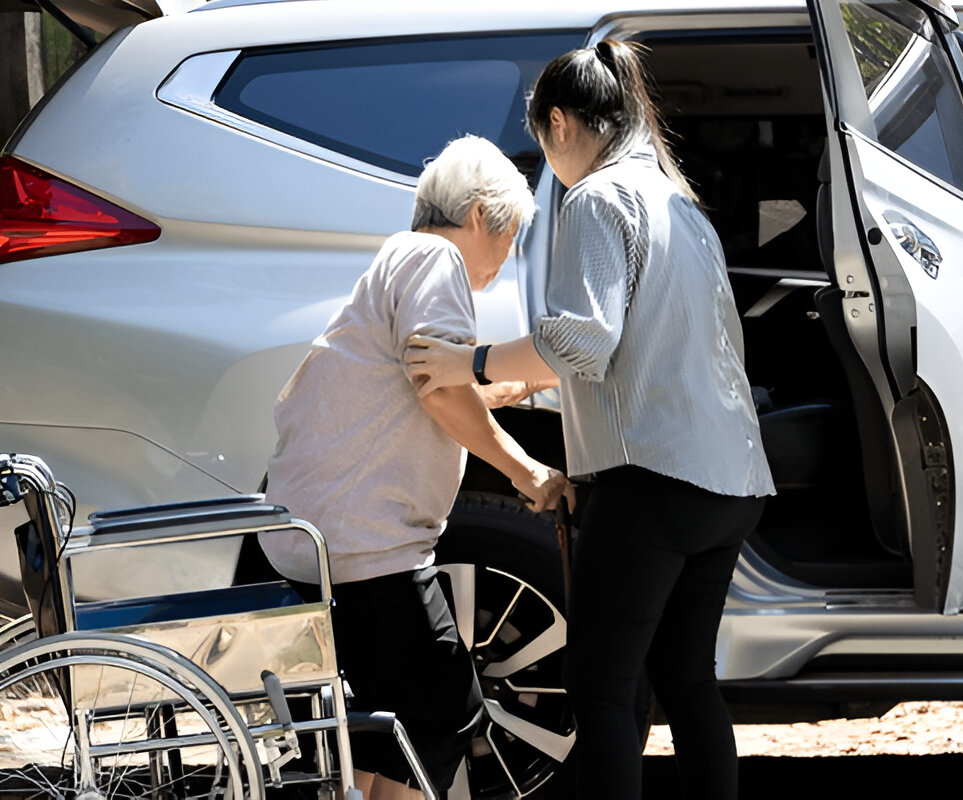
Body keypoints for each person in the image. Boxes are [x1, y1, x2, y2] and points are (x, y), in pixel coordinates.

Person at [404, 41, 774, 800]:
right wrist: (529, 389)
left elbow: (582, 337)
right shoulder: (681, 205)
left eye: (541, 141)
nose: (547, 163)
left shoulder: (599, 199)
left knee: (601, 686)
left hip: (651, 483)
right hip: (730, 480)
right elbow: (651, 352)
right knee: (687, 678)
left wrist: (468, 363)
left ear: (562, 124)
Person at [260, 135, 570, 800]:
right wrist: (528, 471)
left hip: (329, 538)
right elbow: (438, 392)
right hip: (367, 546)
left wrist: (504, 390)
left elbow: (418, 382)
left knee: (384, 731)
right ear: (483, 215)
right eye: (512, 236)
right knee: (443, 714)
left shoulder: (399, 258)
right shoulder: (435, 258)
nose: (507, 259)